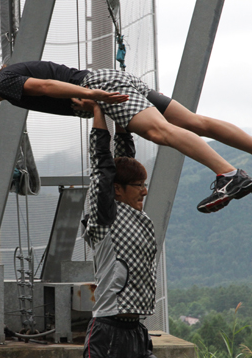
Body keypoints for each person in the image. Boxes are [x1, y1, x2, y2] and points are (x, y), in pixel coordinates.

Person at [0, 58, 252, 213]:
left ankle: (228, 174)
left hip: (101, 85)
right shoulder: (9, 79)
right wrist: (86, 99)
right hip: (112, 81)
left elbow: (43, 85)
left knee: (160, 132)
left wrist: (94, 95)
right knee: (195, 121)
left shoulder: (4, 82)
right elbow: (50, 86)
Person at [78, 99, 156, 358]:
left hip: (136, 331)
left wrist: (125, 117)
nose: (144, 191)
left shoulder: (136, 215)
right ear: (117, 190)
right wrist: (98, 113)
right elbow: (102, 167)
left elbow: (124, 160)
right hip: (108, 331)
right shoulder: (105, 218)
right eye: (138, 185)